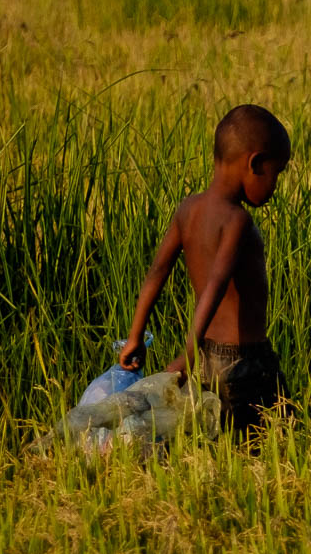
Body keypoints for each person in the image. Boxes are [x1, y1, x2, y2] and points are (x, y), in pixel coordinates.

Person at [118, 103, 291, 436]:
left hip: (208, 357)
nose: (276, 185)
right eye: (277, 172)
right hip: (245, 363)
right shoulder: (237, 221)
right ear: (255, 163)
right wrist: (187, 355)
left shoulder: (188, 208)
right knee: (276, 440)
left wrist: (135, 337)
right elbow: (216, 284)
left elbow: (157, 273)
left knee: (218, 441)